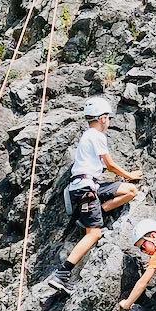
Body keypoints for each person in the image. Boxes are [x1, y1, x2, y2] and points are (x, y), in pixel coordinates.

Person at [45, 97, 142, 293]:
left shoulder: (88, 135)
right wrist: (129, 175)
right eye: (108, 117)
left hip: (90, 186)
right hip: (85, 189)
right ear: (102, 118)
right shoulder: (96, 135)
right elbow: (110, 164)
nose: (109, 121)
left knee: (130, 191)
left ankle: (100, 211)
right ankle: (62, 273)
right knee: (94, 234)